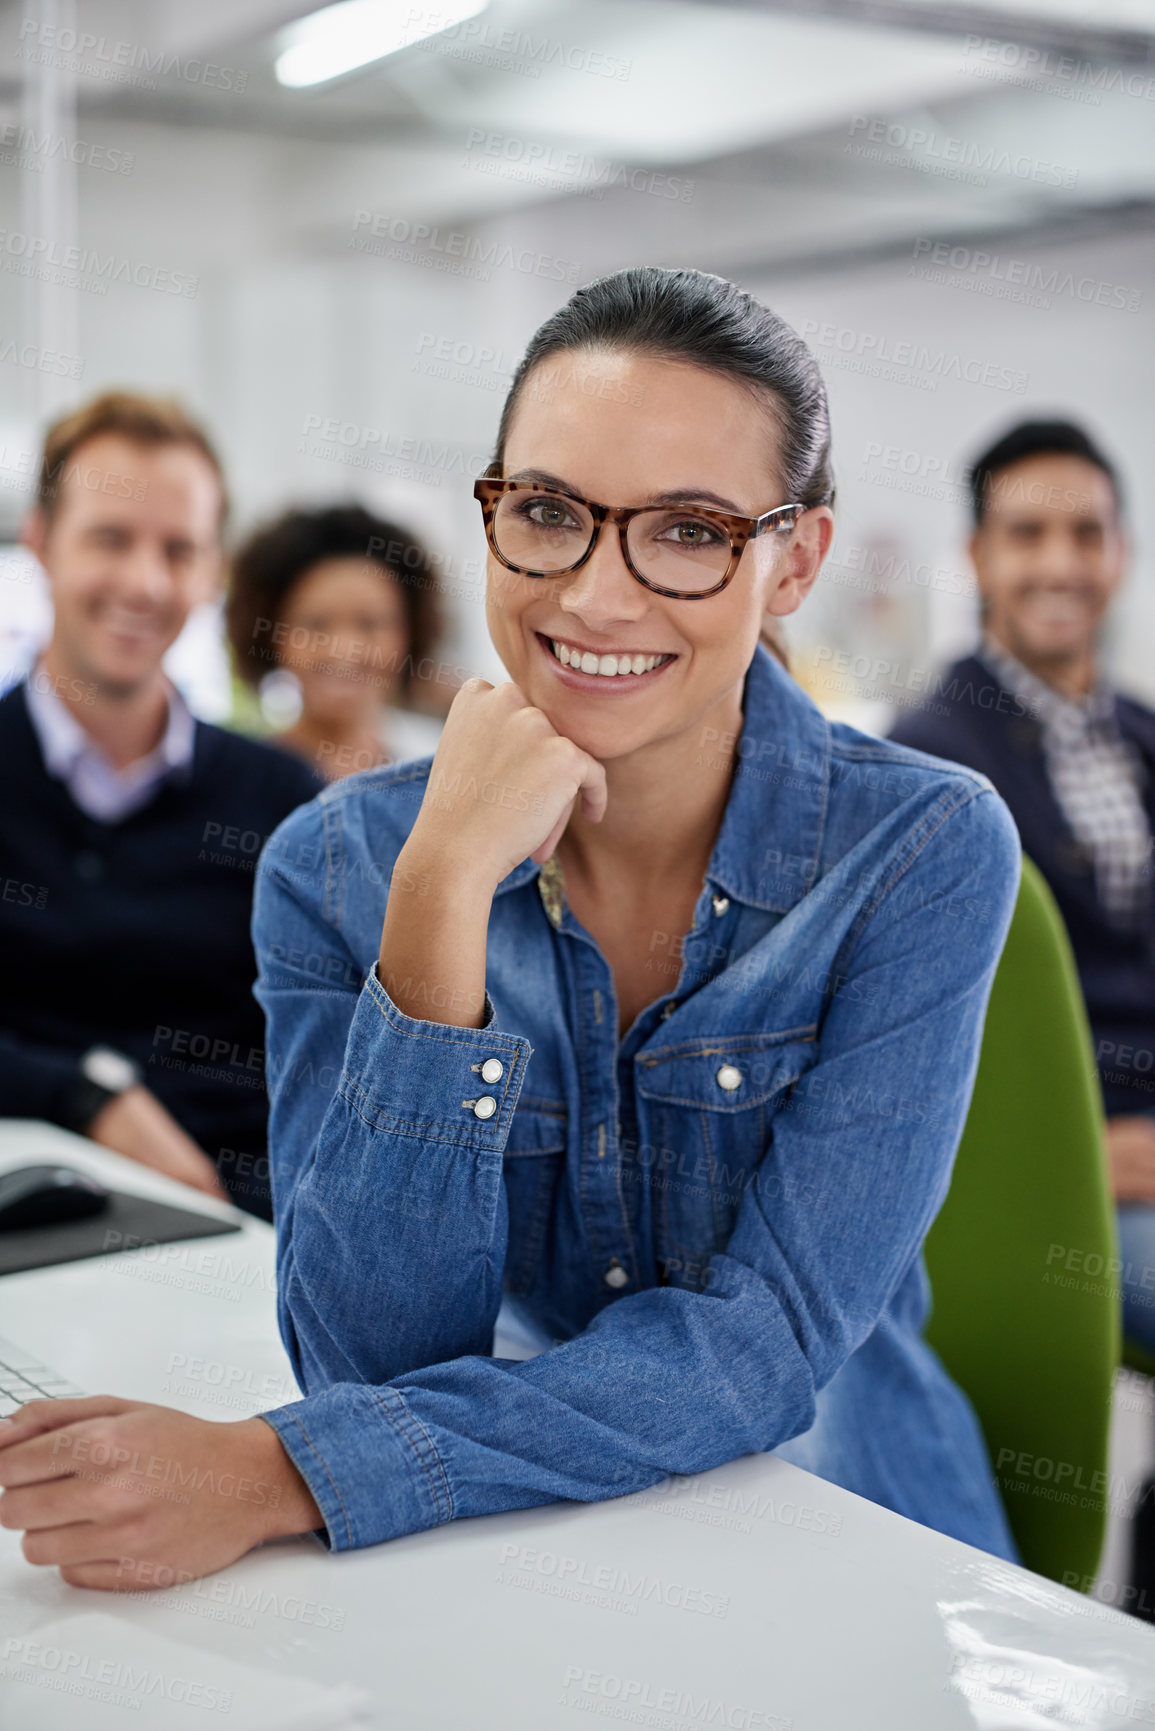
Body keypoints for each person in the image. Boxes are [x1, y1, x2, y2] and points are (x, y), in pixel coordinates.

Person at [0, 268, 1024, 1591]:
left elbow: (763, 1339)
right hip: (534, 1531)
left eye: (689, 530)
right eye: (545, 510)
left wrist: (284, 1468)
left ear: (793, 562)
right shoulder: (334, 860)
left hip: (852, 1531)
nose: (595, 596)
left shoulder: (918, 848)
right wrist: (438, 894)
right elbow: (371, 1363)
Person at [0, 391, 321, 1220]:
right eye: (110, 538)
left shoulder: (283, 800)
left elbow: (324, 1053)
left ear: (212, 569)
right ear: (40, 542)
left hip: (238, 1235)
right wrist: (88, 1095)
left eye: (178, 550)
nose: (144, 582)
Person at [889, 420, 1155, 1349]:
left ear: (1118, 552)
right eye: (1026, 534)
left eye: (1085, 533)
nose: (1060, 563)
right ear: (977, 554)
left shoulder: (1140, 735)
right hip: (1059, 1168)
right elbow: (927, 1032)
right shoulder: (927, 759)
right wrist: (1084, 1148)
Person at [227, 504, 446, 780]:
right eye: (316, 624)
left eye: (370, 623)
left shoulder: (441, 770)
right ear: (272, 634)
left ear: (410, 631)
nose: (343, 649)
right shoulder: (240, 782)